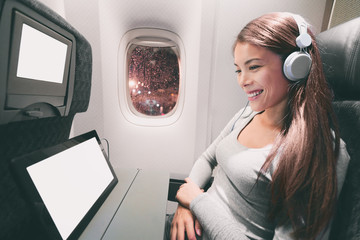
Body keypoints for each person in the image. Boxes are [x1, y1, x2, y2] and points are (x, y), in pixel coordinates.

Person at [165, 12, 350, 240]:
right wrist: (185, 206)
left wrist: (196, 201)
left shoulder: (315, 149)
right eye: (238, 69)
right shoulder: (246, 114)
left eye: (253, 67)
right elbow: (207, 158)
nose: (242, 80)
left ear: (296, 66)